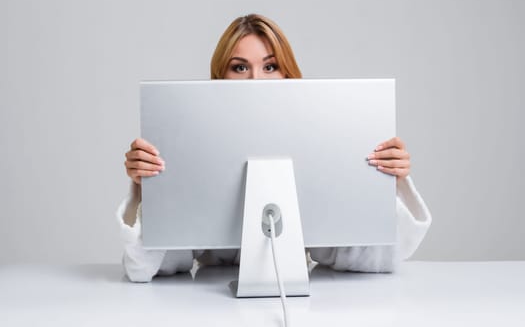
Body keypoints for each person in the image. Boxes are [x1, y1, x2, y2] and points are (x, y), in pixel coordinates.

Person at [117, 14, 432, 282]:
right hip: (208, 301)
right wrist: (148, 189)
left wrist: (391, 179)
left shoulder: (321, 141)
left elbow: (382, 259)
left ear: (288, 73)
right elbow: (144, 268)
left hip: (303, 302)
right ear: (220, 77)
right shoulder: (188, 142)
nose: (256, 80)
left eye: (269, 67)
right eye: (239, 68)